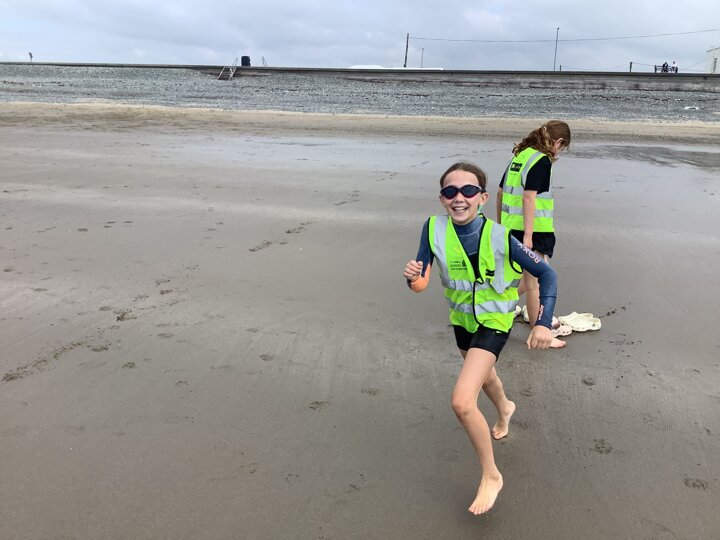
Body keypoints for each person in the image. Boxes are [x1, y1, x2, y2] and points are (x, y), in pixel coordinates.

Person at [403, 162, 558, 515]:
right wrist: (412, 277)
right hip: (462, 320)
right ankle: (506, 408)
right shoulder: (432, 228)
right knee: (485, 376)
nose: (459, 198)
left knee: (462, 401)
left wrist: (542, 323)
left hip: (495, 321)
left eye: (468, 190)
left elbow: (547, 275)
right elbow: (420, 283)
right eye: (450, 191)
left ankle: (491, 475)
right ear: (441, 198)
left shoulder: (502, 237)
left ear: (483, 198)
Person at [496, 120, 570, 347]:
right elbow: (529, 197)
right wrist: (528, 236)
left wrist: (500, 225)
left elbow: (500, 192)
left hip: (511, 227)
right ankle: (540, 330)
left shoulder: (520, 156)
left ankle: (497, 306)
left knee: (526, 278)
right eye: (562, 148)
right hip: (533, 231)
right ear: (558, 142)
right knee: (535, 281)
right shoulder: (541, 160)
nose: (559, 152)